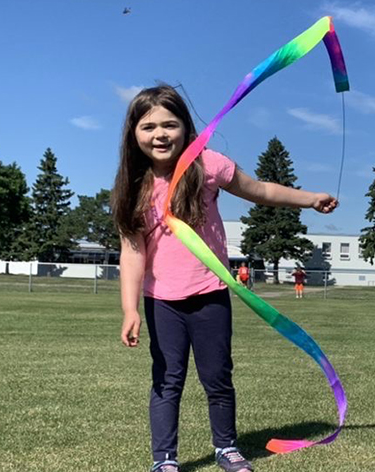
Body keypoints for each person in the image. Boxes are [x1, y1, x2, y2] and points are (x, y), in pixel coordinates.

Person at [112, 85, 338, 472]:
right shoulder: (133, 187)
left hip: (211, 294)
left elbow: (260, 190)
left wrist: (310, 198)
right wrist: (130, 309)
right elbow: (132, 253)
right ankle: (164, 459)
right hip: (162, 301)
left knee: (217, 377)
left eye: (169, 125)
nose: (160, 134)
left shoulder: (207, 165)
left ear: (186, 128)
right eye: (149, 127)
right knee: (167, 380)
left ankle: (226, 448)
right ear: (134, 134)